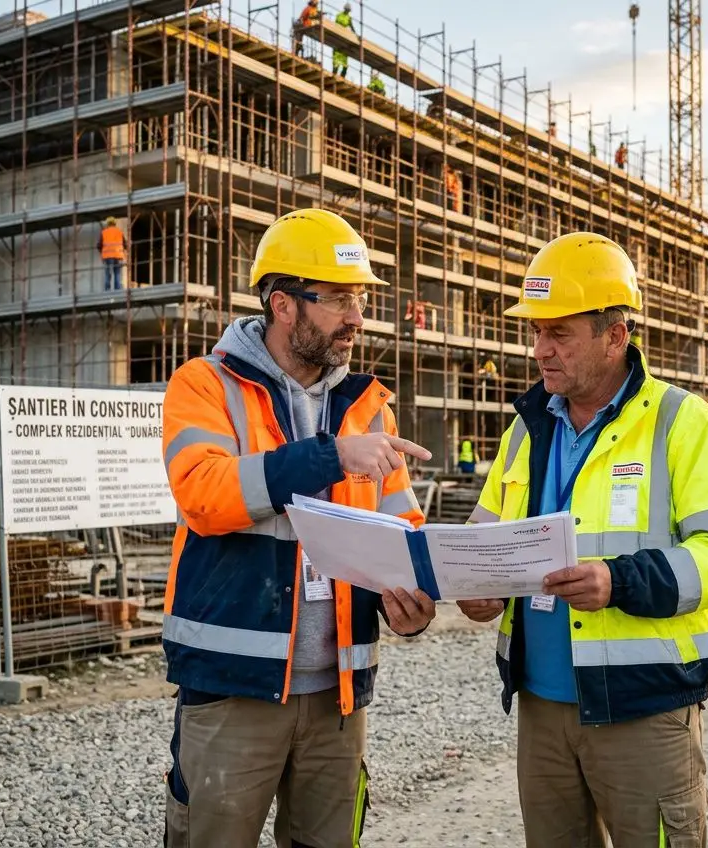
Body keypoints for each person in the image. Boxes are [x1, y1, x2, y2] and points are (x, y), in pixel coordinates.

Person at [457, 232, 708, 848]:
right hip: (542, 706)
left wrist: (619, 580)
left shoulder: (684, 424)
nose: (539, 350)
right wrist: (474, 585)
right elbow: (483, 533)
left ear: (615, 335)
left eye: (559, 333)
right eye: (536, 332)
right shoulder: (527, 428)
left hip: (642, 708)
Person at [160, 207, 437, 848]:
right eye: (338, 299)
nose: (357, 318)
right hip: (234, 689)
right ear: (283, 305)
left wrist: (413, 603)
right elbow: (204, 494)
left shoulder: (366, 406)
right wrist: (330, 456)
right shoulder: (205, 385)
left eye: (359, 299)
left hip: (338, 696)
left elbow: (403, 532)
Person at [97, 216, 127, 291]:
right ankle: (117, 290)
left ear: (107, 224)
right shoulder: (119, 232)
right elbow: (125, 244)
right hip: (118, 256)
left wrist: (102, 252)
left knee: (108, 274)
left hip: (107, 256)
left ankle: (107, 290)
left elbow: (98, 245)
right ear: (115, 223)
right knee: (117, 273)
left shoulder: (104, 232)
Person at [332, 2, 354, 78]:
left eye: (348, 10)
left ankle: (342, 77)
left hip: (344, 41)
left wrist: (355, 35)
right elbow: (335, 25)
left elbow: (352, 27)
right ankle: (334, 76)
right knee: (336, 63)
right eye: (347, 10)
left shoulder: (349, 18)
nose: (347, 11)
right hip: (337, 39)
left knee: (345, 64)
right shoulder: (339, 16)